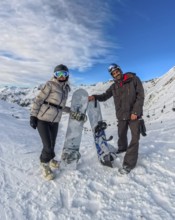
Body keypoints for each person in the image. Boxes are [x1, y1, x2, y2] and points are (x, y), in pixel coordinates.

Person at [88, 63, 144, 174]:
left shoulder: (134, 79)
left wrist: (136, 112)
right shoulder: (114, 87)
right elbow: (104, 96)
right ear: (112, 75)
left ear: (120, 70)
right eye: (113, 73)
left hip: (134, 115)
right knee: (121, 135)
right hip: (122, 116)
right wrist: (94, 96)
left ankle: (129, 164)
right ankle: (122, 149)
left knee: (135, 138)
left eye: (117, 71)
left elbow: (140, 96)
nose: (116, 73)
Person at [30, 64, 71, 180]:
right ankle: (44, 165)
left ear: (67, 76)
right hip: (42, 119)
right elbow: (38, 100)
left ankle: (51, 160)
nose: (62, 76)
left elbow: (61, 106)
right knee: (47, 146)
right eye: (59, 74)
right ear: (55, 75)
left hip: (55, 121)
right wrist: (33, 116)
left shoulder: (66, 89)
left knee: (52, 144)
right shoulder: (50, 85)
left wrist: (71, 111)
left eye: (64, 74)